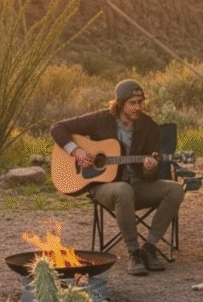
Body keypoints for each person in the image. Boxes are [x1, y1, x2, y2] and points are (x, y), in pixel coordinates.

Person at [50, 79, 185, 276]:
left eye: (141, 103)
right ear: (120, 103)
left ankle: (149, 248)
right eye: (133, 103)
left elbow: (152, 173)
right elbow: (57, 128)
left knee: (175, 189)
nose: (138, 107)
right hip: (105, 187)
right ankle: (133, 252)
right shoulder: (101, 119)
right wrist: (76, 151)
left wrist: (149, 168)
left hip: (137, 186)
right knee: (122, 189)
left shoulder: (149, 127)